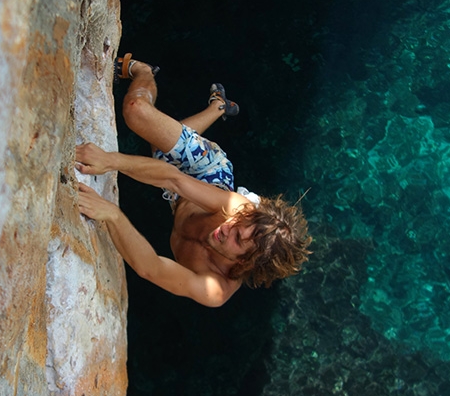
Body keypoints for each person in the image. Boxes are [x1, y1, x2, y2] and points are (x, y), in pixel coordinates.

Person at [76, 54, 312, 307]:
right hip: (210, 173)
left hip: (178, 199)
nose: (228, 227)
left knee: (161, 147)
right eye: (239, 223)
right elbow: (174, 179)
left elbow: (150, 268)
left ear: (246, 261)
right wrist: (109, 160)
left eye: (237, 239)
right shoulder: (238, 208)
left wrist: (112, 213)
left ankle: (218, 106)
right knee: (138, 111)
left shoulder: (215, 289)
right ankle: (143, 70)